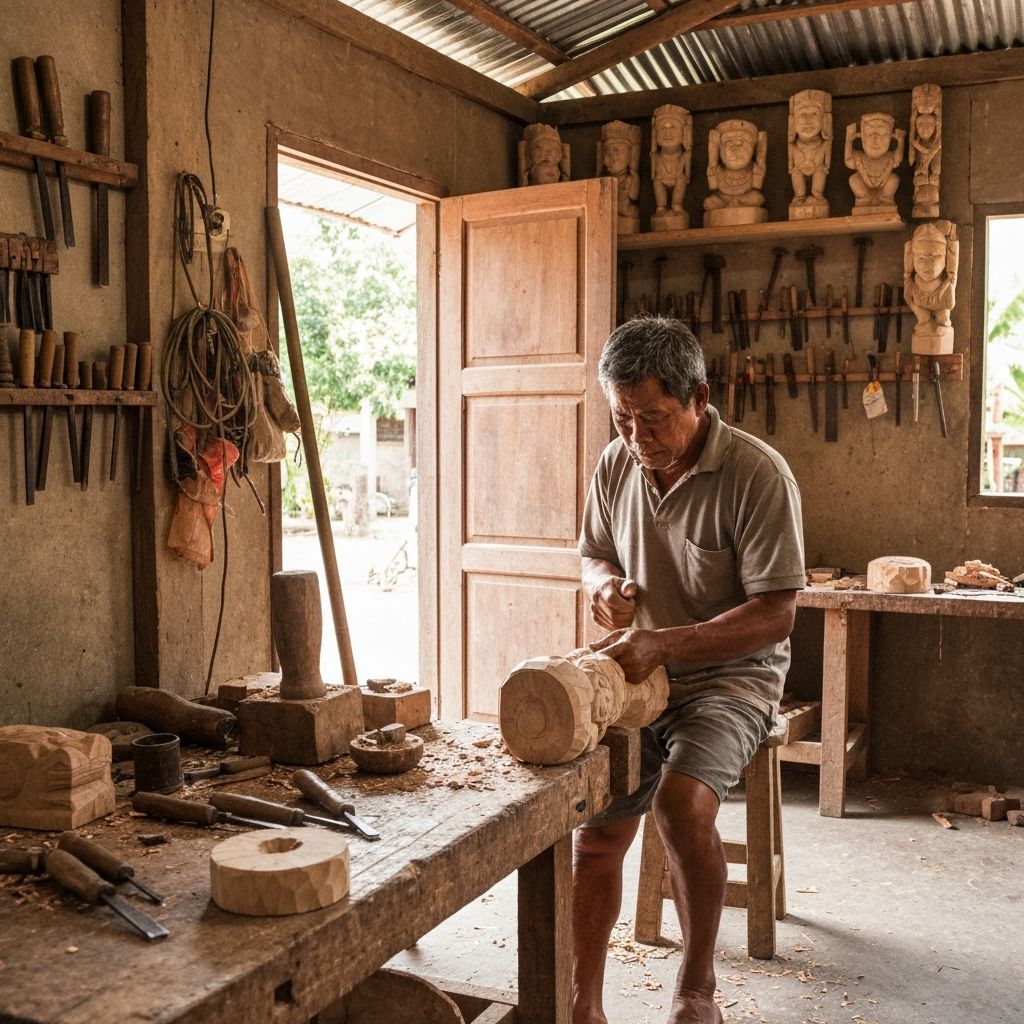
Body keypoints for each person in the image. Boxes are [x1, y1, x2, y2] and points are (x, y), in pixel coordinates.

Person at [574, 317, 805, 1024]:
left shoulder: (756, 474)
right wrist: (601, 586)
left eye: (654, 418)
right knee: (596, 829)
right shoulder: (617, 464)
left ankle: (695, 987)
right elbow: (592, 553)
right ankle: (581, 999)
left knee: (679, 807)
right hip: (642, 672)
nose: (637, 437)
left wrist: (666, 644)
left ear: (699, 397)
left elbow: (776, 614)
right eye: (622, 418)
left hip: (733, 676)